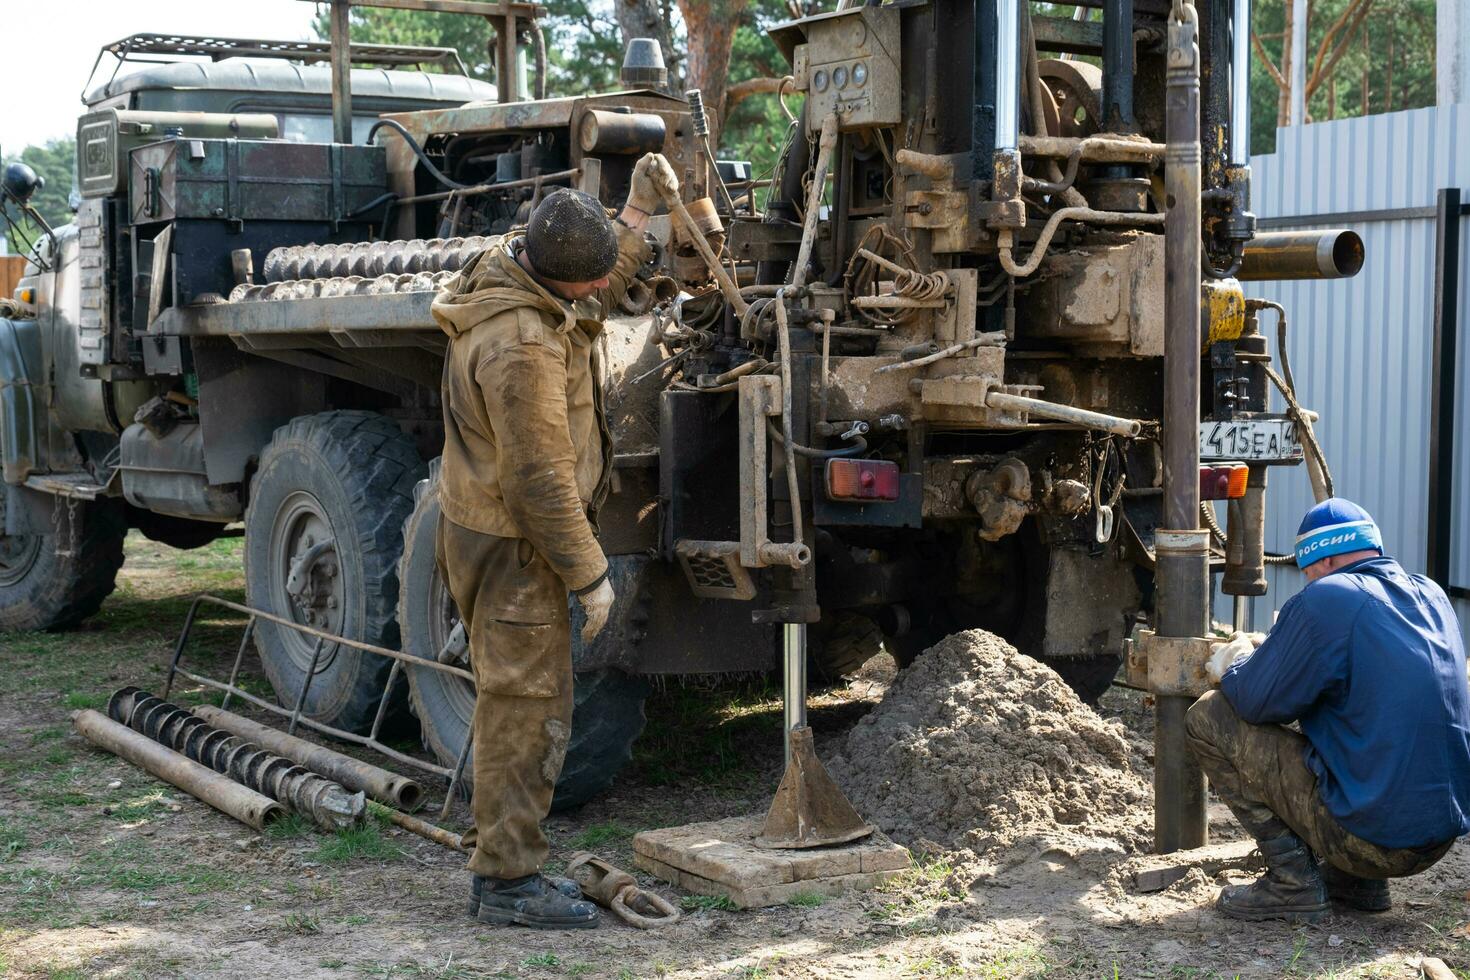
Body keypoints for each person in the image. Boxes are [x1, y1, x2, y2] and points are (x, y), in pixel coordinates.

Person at [429, 154, 675, 930]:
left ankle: (505, 863)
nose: (604, 291)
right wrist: (591, 575)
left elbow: (588, 264)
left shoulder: (516, 263)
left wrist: (632, 218)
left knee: (517, 697)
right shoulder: (520, 347)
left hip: (490, 524)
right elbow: (540, 481)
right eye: (594, 281)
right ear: (563, 279)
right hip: (514, 542)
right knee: (525, 705)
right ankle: (506, 883)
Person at [1188, 497, 1470, 923]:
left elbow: (1254, 700)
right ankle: (1356, 884)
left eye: (1307, 573)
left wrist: (1236, 662)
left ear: (1322, 560)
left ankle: (1291, 883)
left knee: (1208, 717)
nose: (1308, 582)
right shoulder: (1430, 593)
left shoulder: (1327, 596)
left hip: (1373, 844)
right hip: (1435, 840)